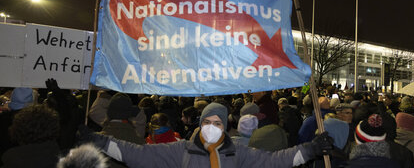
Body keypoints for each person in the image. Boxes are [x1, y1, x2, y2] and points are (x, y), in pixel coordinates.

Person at [79, 102, 334, 168]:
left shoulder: (238, 152)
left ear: (225, 126)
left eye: (218, 123)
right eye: (207, 122)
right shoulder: (180, 150)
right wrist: (98, 140)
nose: (212, 127)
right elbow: (136, 154)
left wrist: (309, 150)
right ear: (201, 124)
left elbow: (275, 161)